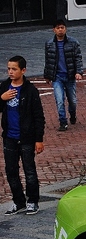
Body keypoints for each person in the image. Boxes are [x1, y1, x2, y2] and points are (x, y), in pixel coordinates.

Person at [1, 56, 45, 215]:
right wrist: (2, 98)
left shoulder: (30, 90)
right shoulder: (4, 86)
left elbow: (38, 116)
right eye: (9, 69)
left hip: (26, 138)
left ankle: (32, 201)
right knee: (11, 171)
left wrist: (39, 139)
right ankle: (18, 202)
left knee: (29, 170)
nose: (10, 72)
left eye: (14, 69)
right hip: (9, 138)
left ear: (23, 70)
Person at [43, 19, 83, 132]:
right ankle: (63, 121)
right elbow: (48, 60)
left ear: (65, 29)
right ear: (54, 30)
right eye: (58, 28)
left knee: (72, 101)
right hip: (57, 77)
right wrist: (47, 75)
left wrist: (78, 72)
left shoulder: (73, 42)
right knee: (59, 100)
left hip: (70, 76)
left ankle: (73, 114)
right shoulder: (49, 44)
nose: (60, 30)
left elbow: (78, 58)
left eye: (62, 27)